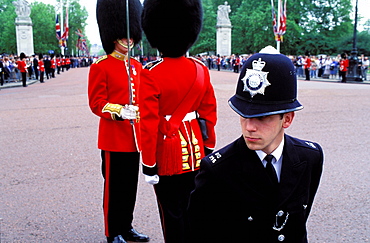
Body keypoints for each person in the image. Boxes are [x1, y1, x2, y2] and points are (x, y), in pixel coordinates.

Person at [188, 46, 324, 243]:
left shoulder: (310, 157)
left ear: (286, 119)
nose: (249, 127)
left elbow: (297, 219)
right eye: (243, 115)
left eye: (262, 117)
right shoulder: (217, 170)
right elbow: (199, 232)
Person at [140, 0, 217, 242]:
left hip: (167, 156)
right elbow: (209, 114)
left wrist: (149, 164)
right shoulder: (200, 70)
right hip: (196, 151)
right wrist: (209, 148)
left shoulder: (150, 73)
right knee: (193, 210)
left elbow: (148, 124)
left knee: (171, 214)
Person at [88, 0, 149, 243]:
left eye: (132, 36)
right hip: (114, 138)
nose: (129, 41)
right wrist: (119, 111)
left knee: (129, 188)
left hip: (135, 139)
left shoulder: (136, 66)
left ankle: (126, 226)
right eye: (124, 37)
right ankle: (112, 232)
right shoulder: (101, 66)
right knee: (114, 190)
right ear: (113, 37)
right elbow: (96, 102)